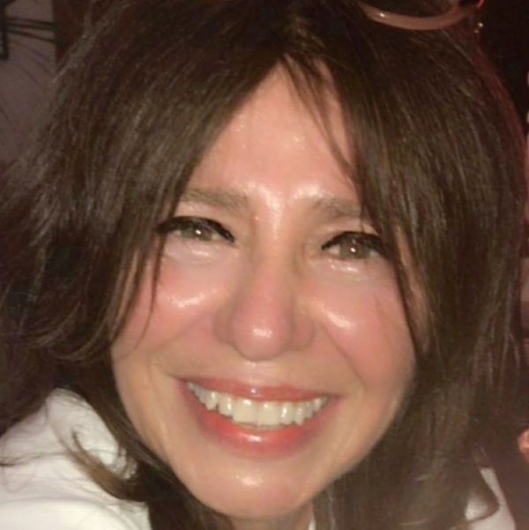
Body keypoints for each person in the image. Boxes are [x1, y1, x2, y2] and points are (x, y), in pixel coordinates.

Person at [0, 0, 525, 529]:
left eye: (353, 244)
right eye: (198, 229)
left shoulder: (439, 480)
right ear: (92, 255)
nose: (262, 332)